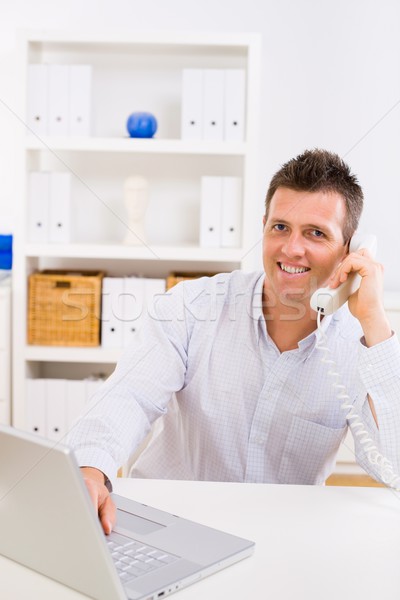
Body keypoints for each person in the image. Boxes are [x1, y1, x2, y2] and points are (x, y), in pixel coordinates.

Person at [68, 149, 400, 534]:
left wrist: (375, 324)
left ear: (350, 251)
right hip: (172, 523)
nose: (292, 248)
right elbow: (129, 397)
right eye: (280, 227)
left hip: (282, 537)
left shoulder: (357, 346)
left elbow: (392, 468)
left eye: (316, 233)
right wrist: (91, 470)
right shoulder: (192, 307)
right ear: (263, 226)